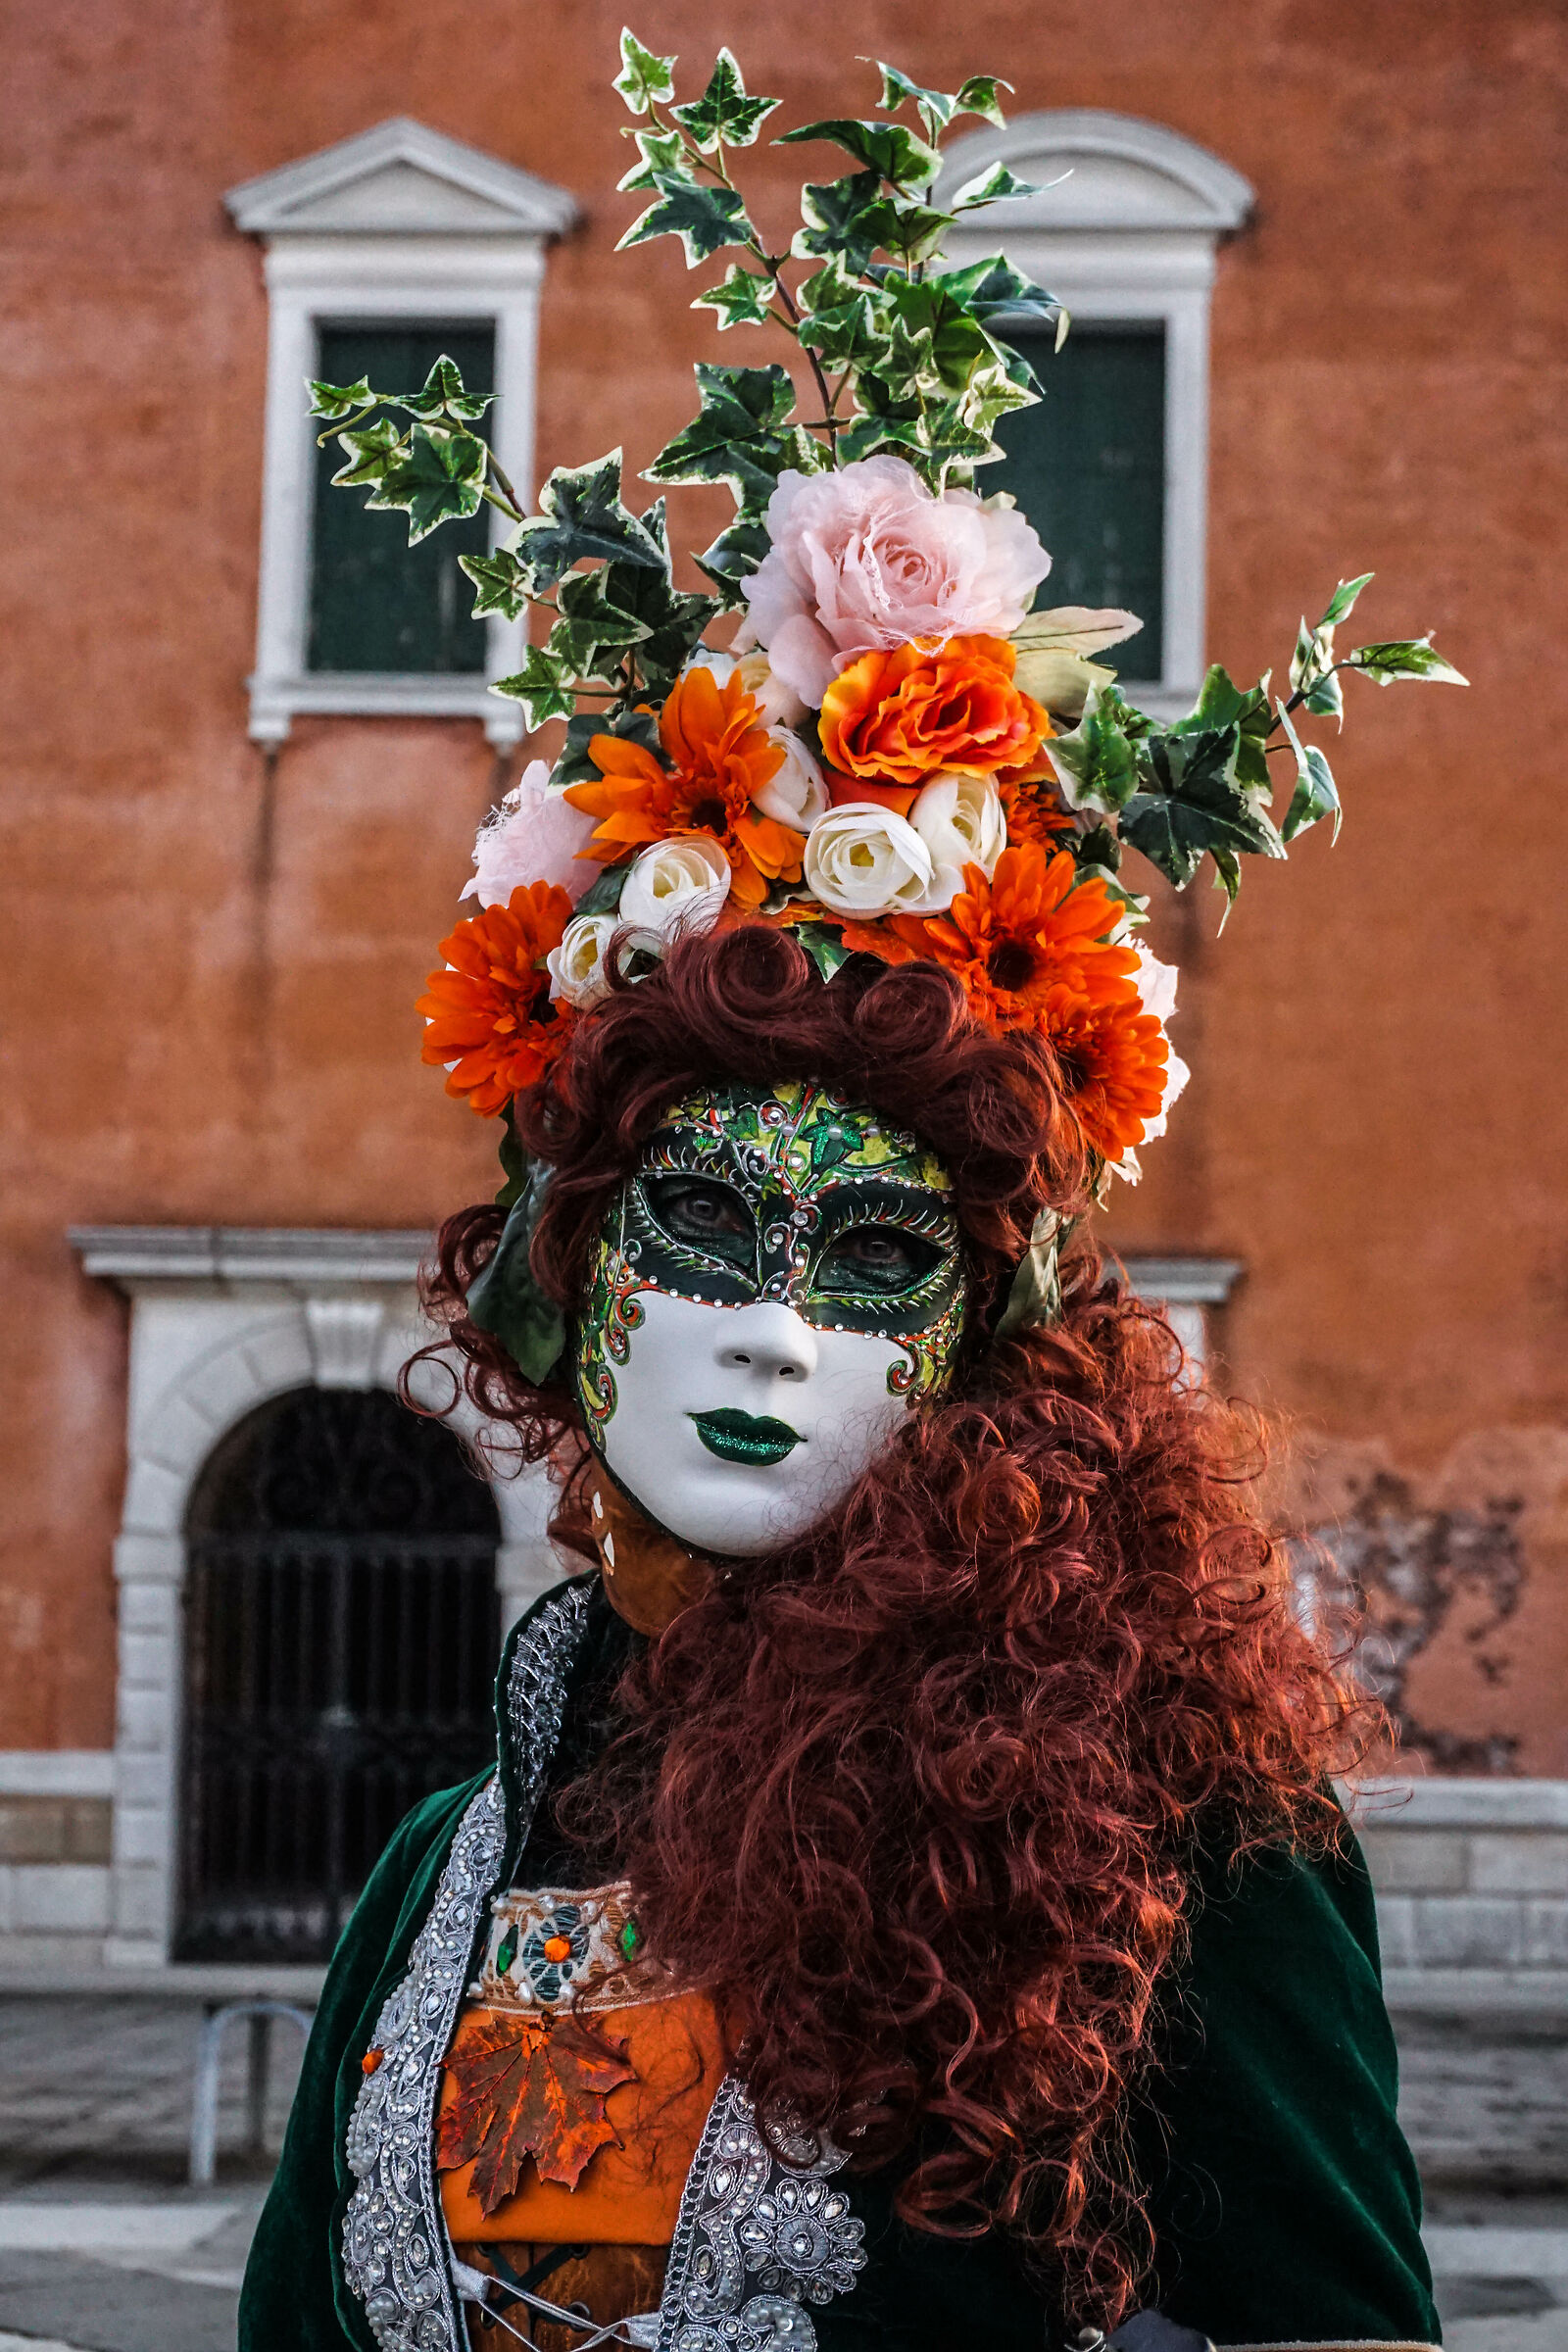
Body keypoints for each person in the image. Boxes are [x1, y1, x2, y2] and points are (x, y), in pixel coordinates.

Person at [240, 38, 1463, 2347]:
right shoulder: (433, 1875)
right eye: (703, 1227)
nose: (774, 1329)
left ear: (987, 1347)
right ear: (568, 1272)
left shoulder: (1180, 1865)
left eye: (879, 1259)